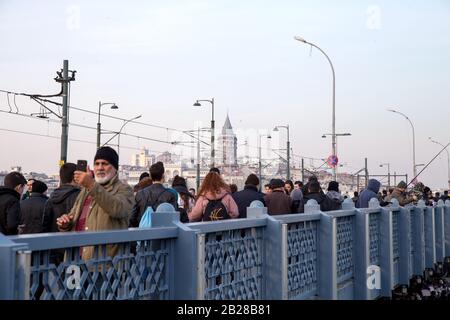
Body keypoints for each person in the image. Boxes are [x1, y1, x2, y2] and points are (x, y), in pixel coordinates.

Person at [57, 146, 135, 260]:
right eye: (97, 164)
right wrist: (65, 223)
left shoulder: (124, 189)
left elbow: (118, 209)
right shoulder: (85, 191)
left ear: (115, 168)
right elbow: (73, 217)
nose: (100, 168)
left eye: (105, 163)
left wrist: (91, 184)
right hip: (76, 260)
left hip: (104, 263)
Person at [130, 161, 178, 227]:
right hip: (162, 232)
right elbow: (174, 218)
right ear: (163, 176)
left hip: (142, 232)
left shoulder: (140, 194)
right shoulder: (170, 195)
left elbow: (132, 217)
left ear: (150, 177)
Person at [42, 163, 81, 233]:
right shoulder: (80, 196)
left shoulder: (50, 198)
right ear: (75, 177)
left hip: (54, 240)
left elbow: (45, 225)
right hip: (73, 241)